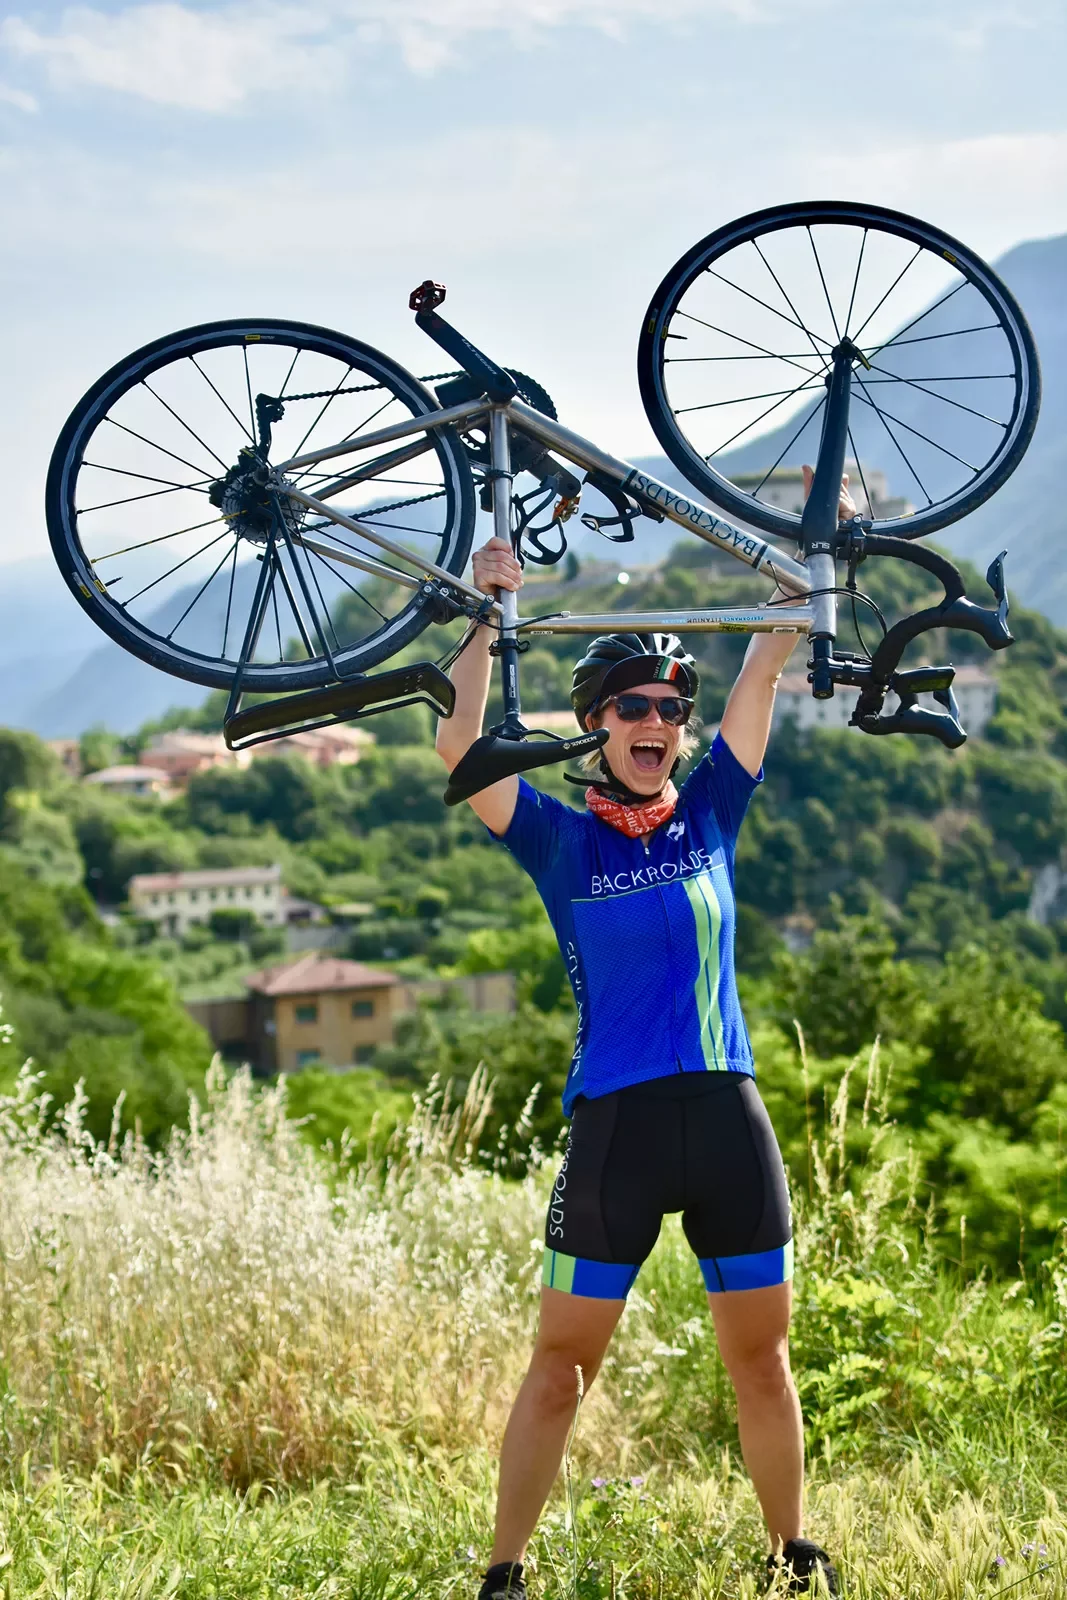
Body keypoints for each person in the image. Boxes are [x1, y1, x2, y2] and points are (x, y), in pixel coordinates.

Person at [436, 470, 855, 1599]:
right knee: (562, 1365)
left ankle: (787, 1552)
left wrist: (809, 547)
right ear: (594, 725)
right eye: (632, 708)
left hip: (726, 1112)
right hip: (615, 1123)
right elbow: (458, 743)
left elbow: (772, 645)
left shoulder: (715, 807)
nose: (656, 725)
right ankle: (504, 1572)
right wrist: (486, 610)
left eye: (670, 708)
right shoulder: (558, 843)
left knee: (759, 1362)